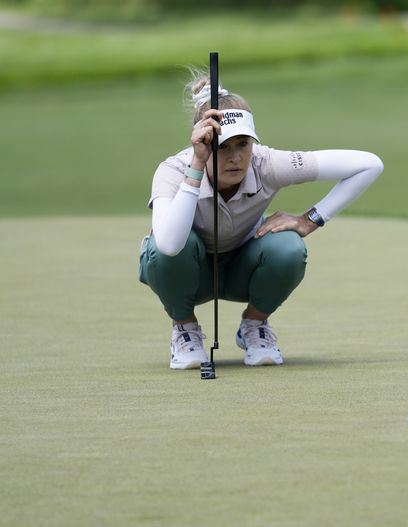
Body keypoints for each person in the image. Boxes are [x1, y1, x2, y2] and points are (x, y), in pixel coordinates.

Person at [139, 70, 383, 370]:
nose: (236, 157)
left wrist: (311, 219)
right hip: (189, 269)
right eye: (223, 146)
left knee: (288, 248)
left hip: (244, 266)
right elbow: (169, 244)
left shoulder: (266, 163)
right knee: (163, 252)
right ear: (201, 142)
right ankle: (185, 330)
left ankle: (254, 326)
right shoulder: (173, 171)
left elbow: (370, 165)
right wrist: (198, 164)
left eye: (243, 144)